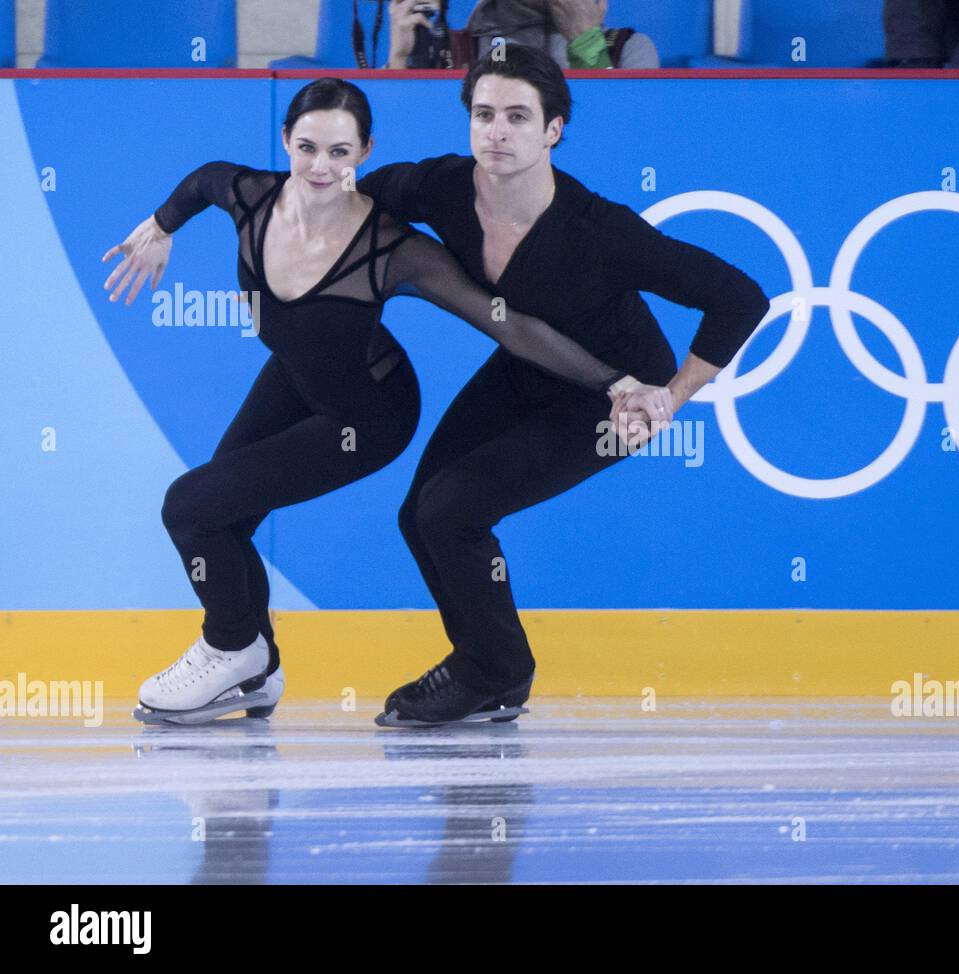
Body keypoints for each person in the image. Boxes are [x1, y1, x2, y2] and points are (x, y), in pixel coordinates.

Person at [101, 77, 665, 725]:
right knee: (220, 518)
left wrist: (616, 383)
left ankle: (233, 647)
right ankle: (251, 669)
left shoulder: (391, 247)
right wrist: (159, 226)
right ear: (285, 141)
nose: (321, 167)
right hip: (295, 378)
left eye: (340, 154)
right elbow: (204, 179)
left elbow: (505, 322)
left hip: (367, 415)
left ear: (365, 152)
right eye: (307, 147)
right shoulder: (250, 195)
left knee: (188, 507)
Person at [357, 45, 770, 728]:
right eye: (484, 114)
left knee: (449, 511)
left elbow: (739, 297)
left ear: (553, 130)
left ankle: (495, 671)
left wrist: (672, 395)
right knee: (419, 515)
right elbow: (355, 196)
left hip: (610, 400)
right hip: (528, 368)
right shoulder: (439, 188)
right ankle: (487, 667)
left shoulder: (599, 231)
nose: (497, 131)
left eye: (519, 117)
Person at [386, 0, 660, 70]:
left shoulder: (628, 49)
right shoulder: (452, 51)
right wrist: (399, 61)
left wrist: (587, 43)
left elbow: (628, 137)